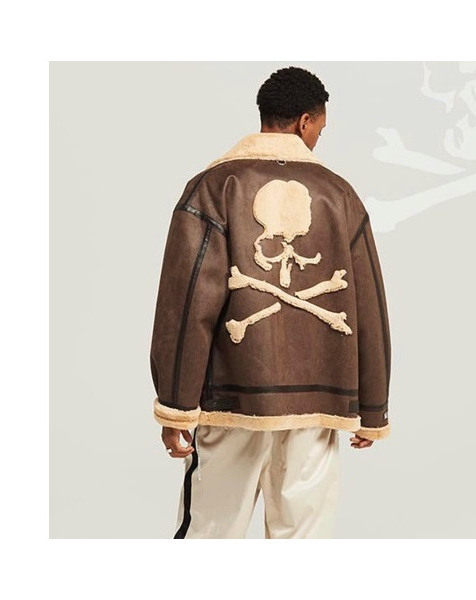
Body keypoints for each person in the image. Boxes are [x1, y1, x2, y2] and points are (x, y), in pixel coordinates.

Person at [149, 66, 392, 539]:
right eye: (320, 128)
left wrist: (176, 404)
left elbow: (186, 303)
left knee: (211, 534)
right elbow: (368, 304)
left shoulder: (214, 187)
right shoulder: (339, 194)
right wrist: (373, 406)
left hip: (233, 399)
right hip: (319, 404)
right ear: (305, 121)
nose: (318, 139)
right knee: (303, 537)